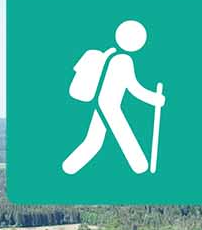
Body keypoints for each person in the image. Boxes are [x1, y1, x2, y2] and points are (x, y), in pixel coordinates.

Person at [62, 19, 165, 175]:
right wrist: (155, 99)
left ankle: (69, 168)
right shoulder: (123, 60)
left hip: (99, 102)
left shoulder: (107, 54)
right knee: (123, 137)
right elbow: (134, 88)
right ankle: (141, 168)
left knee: (94, 141)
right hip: (109, 105)